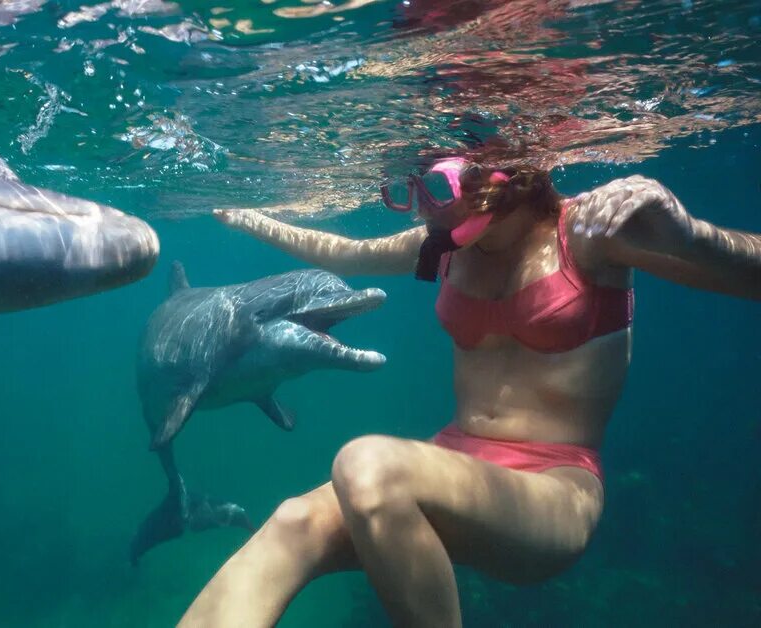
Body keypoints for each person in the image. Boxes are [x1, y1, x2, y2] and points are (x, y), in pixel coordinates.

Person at [177, 157, 761, 627]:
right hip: (450, 468)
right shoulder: (446, 247)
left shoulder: (588, 233)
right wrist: (250, 219)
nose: (424, 206)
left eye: (433, 185)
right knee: (291, 523)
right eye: (410, 189)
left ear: (497, 177)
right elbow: (339, 251)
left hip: (556, 486)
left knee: (368, 464)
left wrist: (689, 233)